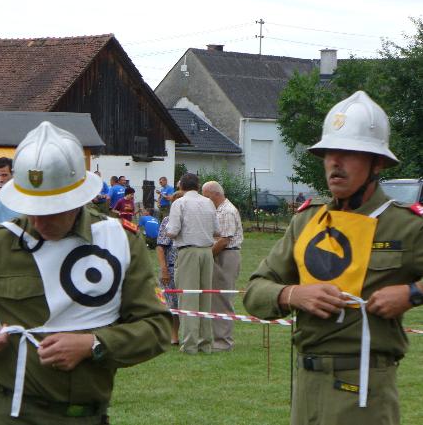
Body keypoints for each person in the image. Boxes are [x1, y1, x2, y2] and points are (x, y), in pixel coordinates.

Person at [0, 121, 171, 425]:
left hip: (90, 416)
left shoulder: (119, 241)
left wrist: (94, 344)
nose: (38, 221)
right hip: (16, 415)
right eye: (31, 207)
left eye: (52, 209)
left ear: (79, 198)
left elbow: (158, 328)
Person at [243, 91, 423, 425]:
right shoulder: (306, 221)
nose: (335, 162)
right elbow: (255, 292)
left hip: (366, 388)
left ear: (377, 163)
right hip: (306, 385)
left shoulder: (405, 224)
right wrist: (293, 294)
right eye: (328, 153)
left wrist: (412, 293)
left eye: (349, 153)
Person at [166, 173, 219, 355]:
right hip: (207, 252)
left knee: (188, 299)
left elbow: (172, 231)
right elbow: (217, 230)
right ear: (197, 185)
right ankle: (205, 343)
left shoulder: (179, 203)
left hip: (188, 251)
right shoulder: (208, 202)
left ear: (181, 186)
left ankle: (190, 345)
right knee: (206, 297)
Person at [202, 181, 244, 352]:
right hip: (221, 254)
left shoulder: (226, 211)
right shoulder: (218, 210)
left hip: (225, 256)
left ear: (214, 194)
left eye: (205, 195)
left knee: (221, 299)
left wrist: (207, 256)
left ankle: (223, 342)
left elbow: (224, 240)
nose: (204, 199)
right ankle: (216, 338)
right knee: (215, 298)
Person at [156, 191, 184, 345]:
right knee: (171, 304)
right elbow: (160, 247)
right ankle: (173, 335)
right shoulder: (167, 221)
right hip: (171, 268)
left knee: (184, 304)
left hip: (186, 268)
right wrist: (164, 269)